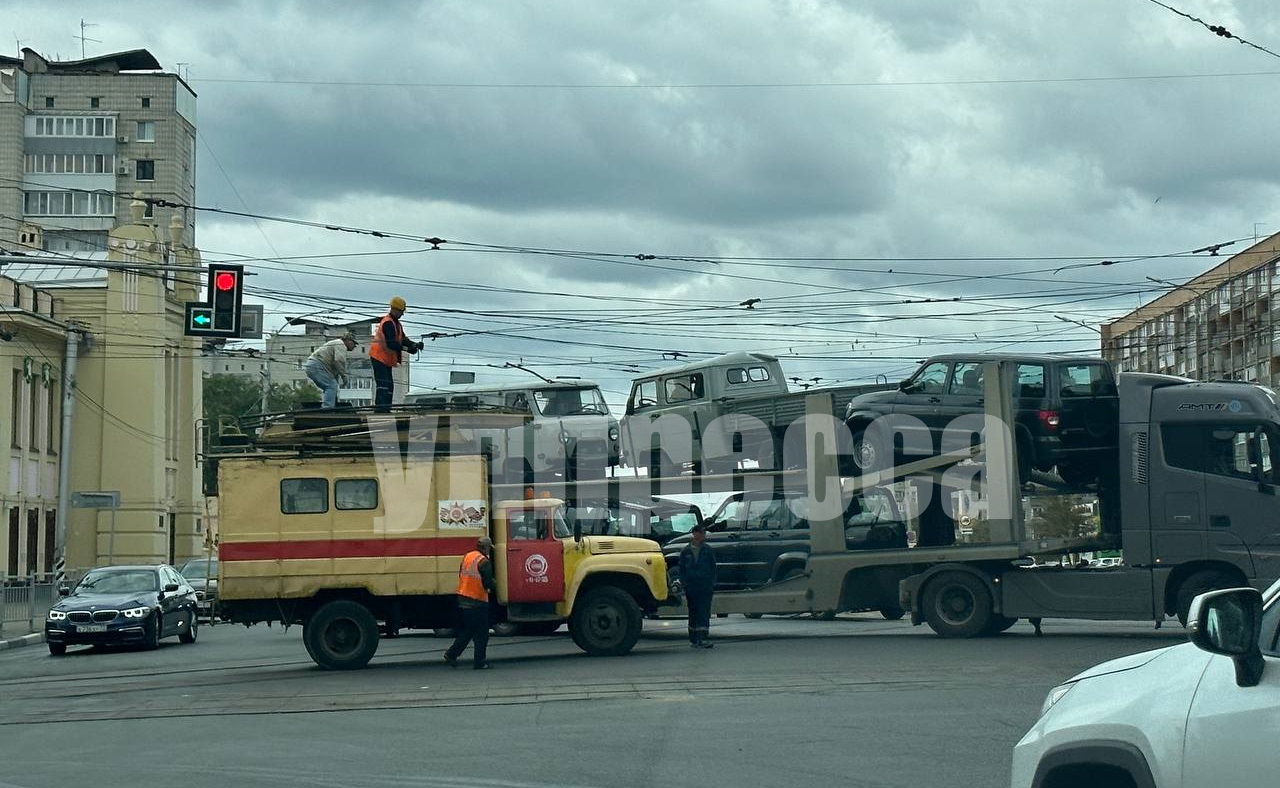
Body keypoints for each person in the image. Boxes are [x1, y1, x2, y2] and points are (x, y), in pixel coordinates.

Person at [444, 536, 497, 670]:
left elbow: (461, 574)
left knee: (468, 631)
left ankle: (451, 654)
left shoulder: (468, 556)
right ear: (486, 547)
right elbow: (488, 583)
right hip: (477, 601)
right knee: (482, 634)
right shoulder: (484, 561)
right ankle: (479, 662)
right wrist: (495, 586)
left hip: (463, 598)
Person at [369, 296, 423, 411]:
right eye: (401, 311)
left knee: (389, 385)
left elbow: (403, 339)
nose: (402, 314)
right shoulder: (388, 323)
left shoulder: (396, 324)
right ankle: (381, 410)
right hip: (378, 357)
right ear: (394, 309)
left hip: (385, 359)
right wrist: (407, 349)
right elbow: (391, 344)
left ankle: (385, 408)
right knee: (383, 384)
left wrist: (414, 345)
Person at [679, 523, 717, 648]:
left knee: (704, 612)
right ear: (695, 533)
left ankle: (703, 638)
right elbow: (682, 570)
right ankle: (693, 639)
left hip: (705, 586)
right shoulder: (686, 551)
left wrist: (712, 583)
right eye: (702, 533)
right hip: (691, 587)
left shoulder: (708, 550)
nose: (704, 535)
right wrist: (684, 584)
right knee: (693, 612)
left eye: (704, 533)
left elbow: (713, 568)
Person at [303, 331, 358, 409]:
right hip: (317, 365)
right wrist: (344, 376)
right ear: (348, 340)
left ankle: (330, 405)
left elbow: (334, 366)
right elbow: (339, 360)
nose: (355, 346)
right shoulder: (340, 344)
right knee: (331, 386)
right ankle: (327, 409)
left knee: (330, 386)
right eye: (354, 343)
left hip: (314, 366)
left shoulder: (336, 343)